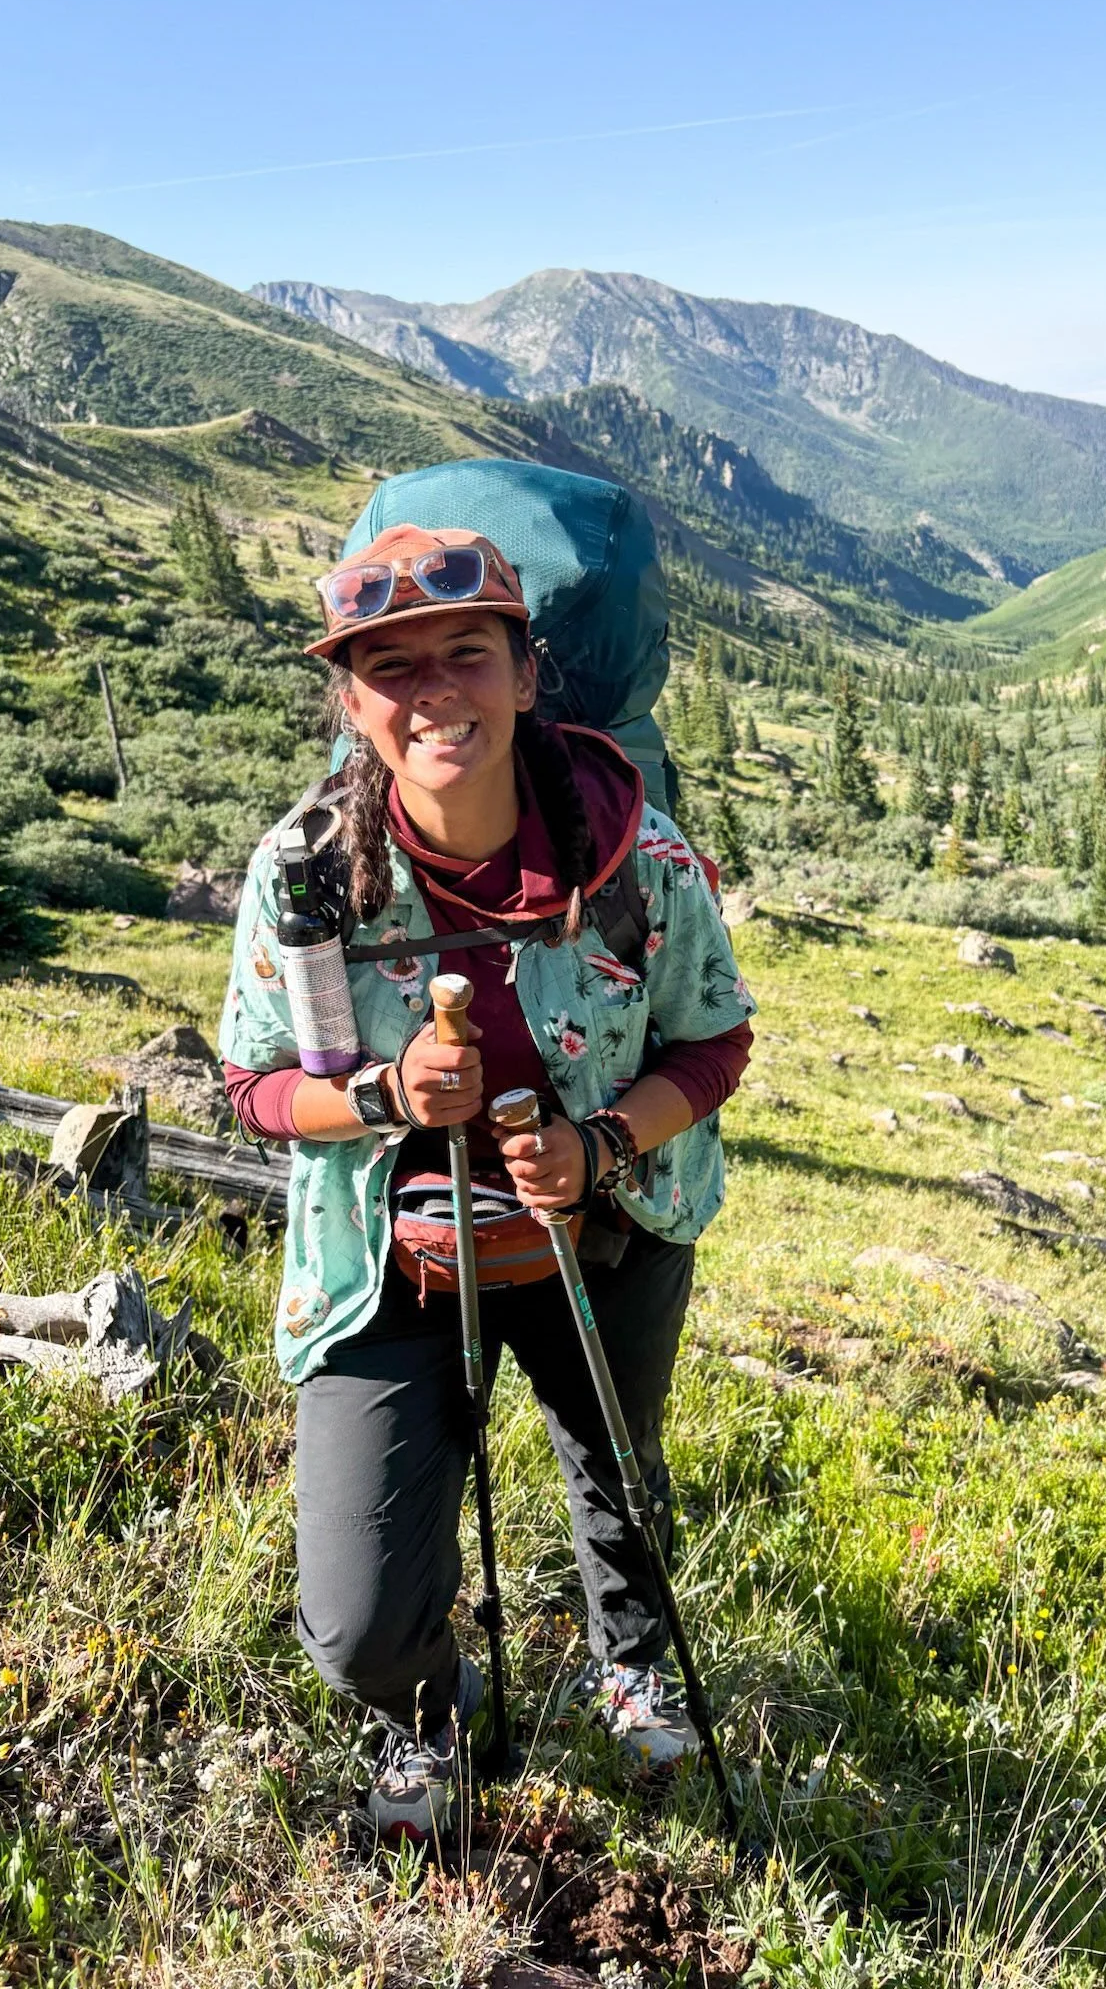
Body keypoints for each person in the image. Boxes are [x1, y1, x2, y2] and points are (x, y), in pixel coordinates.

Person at [218, 523, 755, 1842]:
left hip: (610, 1225)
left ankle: (631, 1664)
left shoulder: (636, 854)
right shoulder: (306, 877)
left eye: (467, 653)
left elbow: (714, 1041)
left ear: (526, 673)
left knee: (618, 1466)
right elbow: (256, 1084)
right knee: (352, 1625)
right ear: (351, 702)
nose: (433, 693)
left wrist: (601, 1146)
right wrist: (387, 1097)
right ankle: (426, 1706)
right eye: (390, 668)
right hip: (389, 1256)